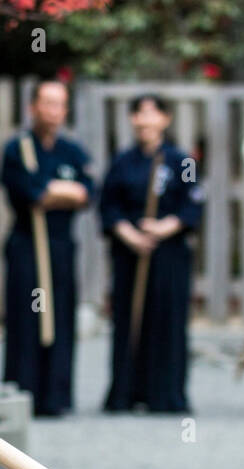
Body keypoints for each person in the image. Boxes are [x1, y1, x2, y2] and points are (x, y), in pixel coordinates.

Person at [99, 93, 203, 413]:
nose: (145, 120)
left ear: (165, 119)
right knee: (129, 319)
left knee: (168, 321)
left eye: (152, 113)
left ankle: (166, 394)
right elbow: (108, 206)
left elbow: (193, 204)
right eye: (139, 113)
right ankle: (127, 392)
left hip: (168, 253)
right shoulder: (122, 161)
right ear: (132, 120)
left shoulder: (181, 161)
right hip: (130, 253)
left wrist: (163, 228)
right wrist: (130, 234)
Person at [0, 79, 93, 417]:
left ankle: (56, 395)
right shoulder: (18, 148)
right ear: (33, 107)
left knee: (61, 318)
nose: (53, 111)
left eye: (59, 105)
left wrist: (53, 190)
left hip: (60, 245)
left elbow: (86, 193)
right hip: (27, 244)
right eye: (47, 103)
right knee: (27, 318)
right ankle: (24, 392)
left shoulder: (72, 151)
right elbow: (29, 192)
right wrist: (59, 192)